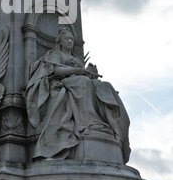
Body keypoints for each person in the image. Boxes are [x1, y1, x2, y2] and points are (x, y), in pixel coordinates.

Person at [25, 29, 130, 163]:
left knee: (104, 86)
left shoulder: (75, 59)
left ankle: (103, 123)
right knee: (83, 82)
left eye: (72, 39)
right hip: (63, 81)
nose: (70, 41)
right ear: (60, 41)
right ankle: (87, 123)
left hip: (78, 81)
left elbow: (84, 73)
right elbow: (55, 70)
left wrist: (90, 72)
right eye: (67, 39)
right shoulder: (55, 54)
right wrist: (77, 71)